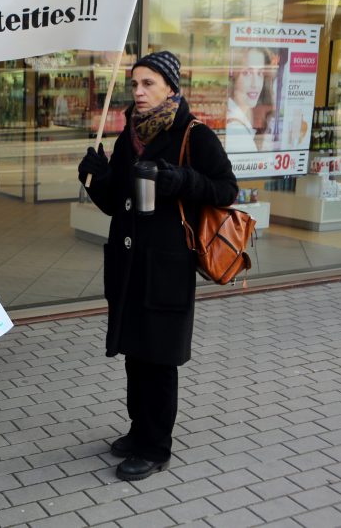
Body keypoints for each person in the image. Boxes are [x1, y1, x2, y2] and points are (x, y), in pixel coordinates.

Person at [77, 51, 238, 482]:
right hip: (129, 260)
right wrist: (95, 179)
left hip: (168, 263)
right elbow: (114, 203)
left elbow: (227, 189)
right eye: (134, 85)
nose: (139, 92)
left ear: (171, 86)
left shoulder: (193, 134)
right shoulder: (128, 135)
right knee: (135, 351)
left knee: (159, 357)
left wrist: (181, 180)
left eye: (148, 84)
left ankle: (156, 446)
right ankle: (137, 429)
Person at [225, 46, 275, 152]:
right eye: (247, 73)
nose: (255, 84)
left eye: (259, 73)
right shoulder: (236, 131)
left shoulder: (242, 117)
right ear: (233, 77)